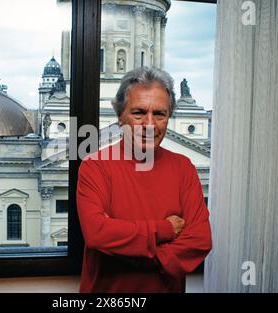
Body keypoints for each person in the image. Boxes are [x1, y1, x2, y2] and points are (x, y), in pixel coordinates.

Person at [76, 67, 212, 293]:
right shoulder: (94, 166)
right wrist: (165, 230)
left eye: (159, 114)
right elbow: (97, 234)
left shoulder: (183, 168)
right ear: (120, 116)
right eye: (139, 113)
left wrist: (133, 253)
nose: (150, 124)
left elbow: (200, 240)